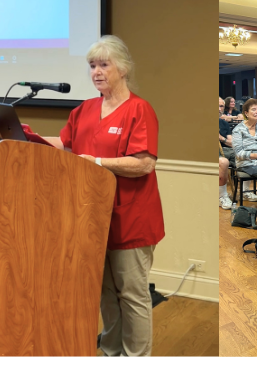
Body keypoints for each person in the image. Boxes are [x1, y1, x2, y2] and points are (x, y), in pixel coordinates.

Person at [39, 35, 162, 356]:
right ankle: (110, 353)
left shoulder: (139, 109)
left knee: (131, 294)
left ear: (123, 68)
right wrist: (26, 138)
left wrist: (96, 162)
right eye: (92, 65)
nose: (96, 71)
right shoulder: (83, 110)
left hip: (130, 217)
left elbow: (144, 164)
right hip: (91, 215)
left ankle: (136, 357)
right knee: (105, 292)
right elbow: (67, 145)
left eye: (104, 64)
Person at [219, 97, 236, 209]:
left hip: (227, 150)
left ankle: (245, 190)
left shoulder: (223, 124)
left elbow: (231, 142)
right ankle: (222, 196)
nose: (219, 109)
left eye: (221, 106)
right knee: (224, 162)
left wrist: (220, 137)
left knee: (245, 156)